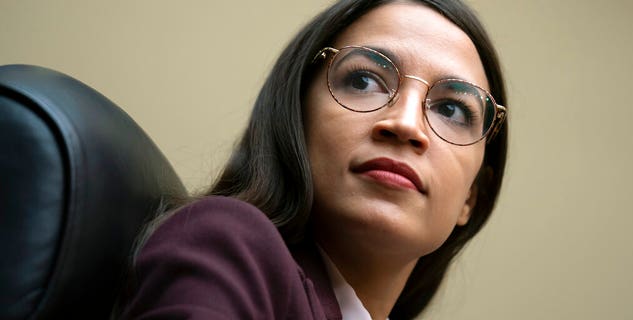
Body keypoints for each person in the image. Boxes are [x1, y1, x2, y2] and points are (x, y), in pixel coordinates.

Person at [119, 0, 508, 319]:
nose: (406, 125)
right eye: (364, 81)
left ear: (471, 197)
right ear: (296, 117)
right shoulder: (225, 242)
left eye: (452, 110)